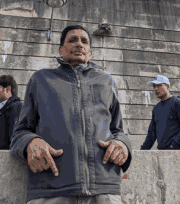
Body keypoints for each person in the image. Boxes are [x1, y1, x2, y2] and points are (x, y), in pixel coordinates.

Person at [11, 25, 132, 204]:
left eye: (84, 41)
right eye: (72, 40)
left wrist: (122, 144)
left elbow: (118, 130)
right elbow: (19, 133)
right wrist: (30, 142)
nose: (79, 44)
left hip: (105, 190)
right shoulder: (41, 80)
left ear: (89, 52)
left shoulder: (106, 81)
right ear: (61, 50)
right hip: (51, 190)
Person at [141, 75, 180, 150]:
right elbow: (151, 134)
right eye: (154, 86)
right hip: (163, 152)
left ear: (168, 87)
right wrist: (142, 150)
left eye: (158, 85)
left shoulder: (178, 103)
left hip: (178, 151)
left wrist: (175, 145)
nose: (155, 89)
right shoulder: (156, 108)